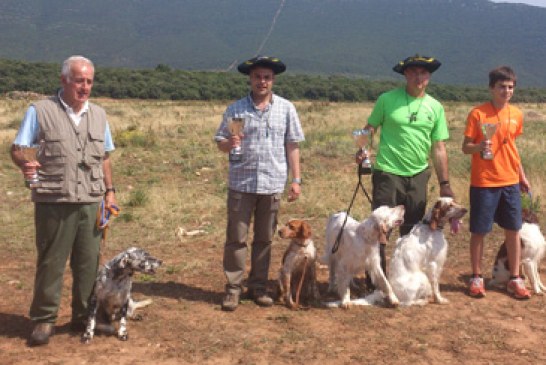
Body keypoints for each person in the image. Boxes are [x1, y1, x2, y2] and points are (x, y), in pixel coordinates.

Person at [10, 55, 118, 346]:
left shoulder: (99, 114)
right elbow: (18, 148)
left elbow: (105, 157)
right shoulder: (40, 110)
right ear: (64, 81)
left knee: (88, 264)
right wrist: (24, 163)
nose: (85, 87)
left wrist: (110, 191)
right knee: (51, 262)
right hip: (54, 200)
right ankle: (44, 320)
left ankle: (84, 317)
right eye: (79, 80)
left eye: (89, 81)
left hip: (91, 201)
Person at [214, 56, 304, 311]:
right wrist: (228, 144)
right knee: (236, 238)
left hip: (272, 183)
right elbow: (220, 141)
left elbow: (293, 145)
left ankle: (259, 287)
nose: (262, 81)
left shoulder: (286, 109)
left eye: (267, 77)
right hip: (241, 184)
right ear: (250, 79)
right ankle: (233, 288)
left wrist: (296, 180)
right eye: (257, 77)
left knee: (264, 239)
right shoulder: (235, 110)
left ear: (273, 80)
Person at [356, 54, 454, 283]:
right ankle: (375, 280)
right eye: (414, 72)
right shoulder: (387, 100)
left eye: (423, 73)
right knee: (381, 228)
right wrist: (362, 149)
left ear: (429, 76)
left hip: (418, 175)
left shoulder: (435, 107)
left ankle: (405, 277)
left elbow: (439, 147)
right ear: (405, 74)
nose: (418, 77)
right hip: (388, 173)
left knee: (411, 231)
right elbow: (369, 128)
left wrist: (445, 183)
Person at [462, 66, 531, 300]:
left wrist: (521, 175)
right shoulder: (478, 114)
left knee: (513, 230)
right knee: (480, 231)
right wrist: (480, 147)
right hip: (484, 181)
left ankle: (514, 278)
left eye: (510, 87)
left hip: (510, 180)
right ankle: (476, 277)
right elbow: (465, 147)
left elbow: (511, 147)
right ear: (492, 88)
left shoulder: (517, 114)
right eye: (502, 86)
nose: (506, 91)